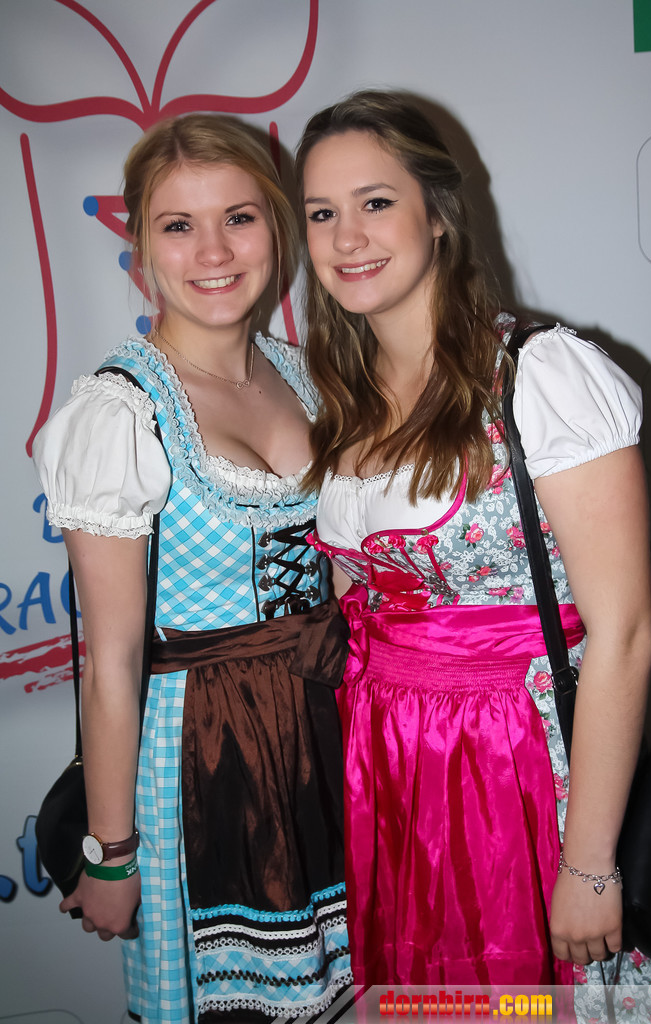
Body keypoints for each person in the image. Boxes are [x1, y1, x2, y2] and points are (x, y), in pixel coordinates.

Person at [295, 89, 651, 996]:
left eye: (375, 202)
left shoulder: (540, 373)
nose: (347, 237)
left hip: (520, 769)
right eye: (321, 213)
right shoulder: (341, 399)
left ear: (438, 214)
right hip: (395, 770)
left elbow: (625, 634)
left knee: (529, 1001)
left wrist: (590, 863)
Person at [33, 113, 351, 1023]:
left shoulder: (307, 376)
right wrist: (111, 853)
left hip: (327, 734)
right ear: (141, 247)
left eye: (238, 218)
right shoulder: (121, 413)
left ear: (276, 229)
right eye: (179, 225)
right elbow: (113, 663)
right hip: (203, 761)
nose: (213, 251)